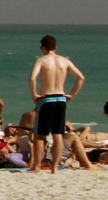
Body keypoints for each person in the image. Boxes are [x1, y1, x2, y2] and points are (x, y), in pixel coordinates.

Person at [28, 35, 86, 174]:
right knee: (58, 134)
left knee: (40, 135)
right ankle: (54, 167)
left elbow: (32, 78)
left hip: (47, 99)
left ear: (43, 47)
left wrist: (34, 95)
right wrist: (71, 94)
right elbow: (80, 78)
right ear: (55, 46)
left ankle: (36, 166)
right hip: (61, 99)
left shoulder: (42, 60)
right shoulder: (64, 61)